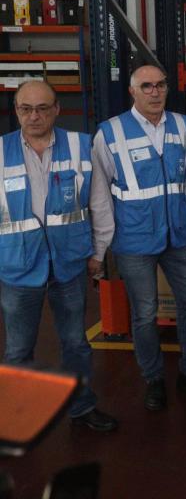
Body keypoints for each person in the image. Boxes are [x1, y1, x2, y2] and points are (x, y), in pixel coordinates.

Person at [91, 65, 186, 411]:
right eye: (146, 86)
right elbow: (100, 192)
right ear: (132, 92)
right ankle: (153, 378)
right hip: (134, 239)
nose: (154, 92)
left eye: (160, 85)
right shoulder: (110, 133)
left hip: (177, 234)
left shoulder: (182, 126)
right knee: (145, 313)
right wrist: (101, 244)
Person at [0, 80, 117, 432]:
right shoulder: (0, 152)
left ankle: (81, 407)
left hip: (69, 262)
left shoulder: (81, 147)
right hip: (18, 267)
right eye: (25, 109)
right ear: (16, 110)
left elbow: (99, 203)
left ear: (56, 109)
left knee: (76, 344)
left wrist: (98, 252)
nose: (33, 116)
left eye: (42, 108)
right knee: (19, 349)